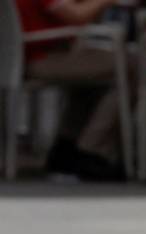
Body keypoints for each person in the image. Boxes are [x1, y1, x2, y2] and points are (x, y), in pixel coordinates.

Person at [16, 0, 130, 180]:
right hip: (40, 56)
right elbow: (77, 16)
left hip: (30, 54)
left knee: (94, 76)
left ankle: (67, 147)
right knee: (131, 66)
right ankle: (93, 151)